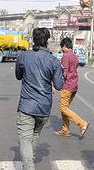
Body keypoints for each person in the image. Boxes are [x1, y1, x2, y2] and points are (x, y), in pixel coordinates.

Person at [15, 28, 64, 170]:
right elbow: (59, 85)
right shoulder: (53, 60)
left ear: (33, 40)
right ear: (47, 41)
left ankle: (29, 166)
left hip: (26, 106)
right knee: (35, 134)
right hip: (44, 107)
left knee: (25, 138)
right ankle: (30, 162)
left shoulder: (23, 56)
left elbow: (18, 76)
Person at [54, 37, 89, 137]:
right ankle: (65, 130)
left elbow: (64, 73)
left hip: (67, 85)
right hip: (74, 85)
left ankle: (82, 123)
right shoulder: (74, 56)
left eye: (62, 47)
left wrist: (56, 83)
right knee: (65, 108)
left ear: (65, 46)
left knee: (63, 108)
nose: (61, 49)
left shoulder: (66, 56)